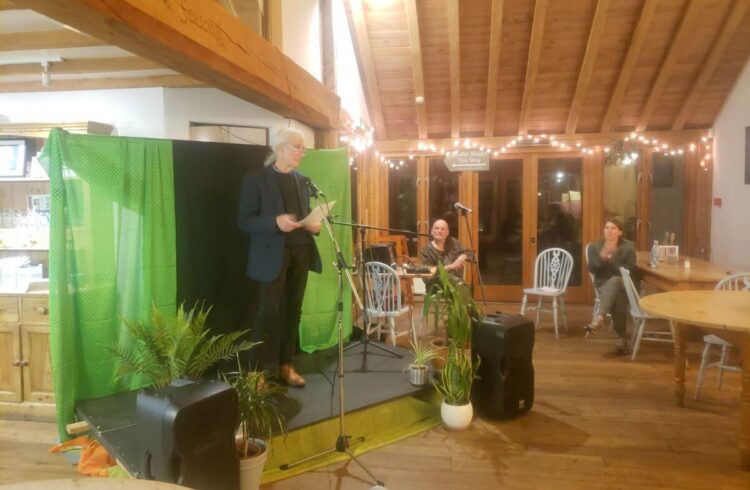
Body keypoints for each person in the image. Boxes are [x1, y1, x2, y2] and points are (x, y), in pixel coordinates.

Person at [238, 127, 322, 387]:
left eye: (302, 148)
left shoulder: (303, 181)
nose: (301, 153)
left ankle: (286, 365)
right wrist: (275, 221)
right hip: (271, 256)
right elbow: (244, 221)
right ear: (279, 148)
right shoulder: (256, 180)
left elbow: (303, 215)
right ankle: (255, 372)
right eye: (296, 147)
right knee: (268, 312)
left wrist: (312, 224)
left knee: (293, 311)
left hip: (301, 251)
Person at [585, 217, 636, 354]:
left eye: (613, 228)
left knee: (615, 281)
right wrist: (602, 258)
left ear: (620, 232)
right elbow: (593, 269)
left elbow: (629, 269)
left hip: (624, 283)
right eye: (607, 227)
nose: (609, 231)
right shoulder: (595, 247)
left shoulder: (628, 246)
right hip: (602, 283)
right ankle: (621, 339)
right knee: (617, 295)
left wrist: (611, 259)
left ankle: (600, 316)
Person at [420, 219, 472, 290]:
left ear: (447, 232)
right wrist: (451, 266)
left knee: (467, 288)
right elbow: (428, 270)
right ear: (432, 231)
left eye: (443, 229)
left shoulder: (453, 243)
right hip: (436, 285)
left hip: (456, 282)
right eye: (437, 228)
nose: (439, 231)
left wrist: (462, 256)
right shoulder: (426, 250)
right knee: (461, 286)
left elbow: (469, 253)